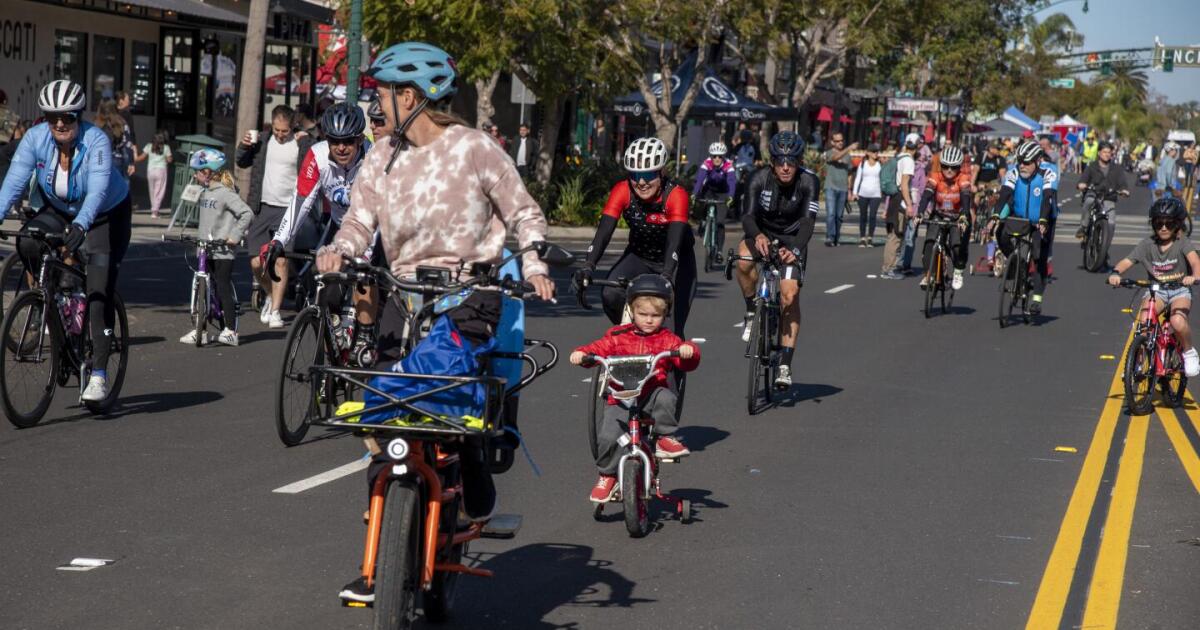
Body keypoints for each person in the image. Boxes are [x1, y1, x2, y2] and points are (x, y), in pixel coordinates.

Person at [313, 42, 555, 605]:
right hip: (405, 291)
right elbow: (358, 223)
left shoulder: (474, 149)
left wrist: (537, 261)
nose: (376, 104)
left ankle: (470, 455)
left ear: (410, 96)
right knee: (383, 411)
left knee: (430, 393)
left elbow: (523, 211)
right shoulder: (381, 156)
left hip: (471, 293)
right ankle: (380, 552)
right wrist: (337, 253)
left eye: (382, 94)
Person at [0, 79, 132, 401]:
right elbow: (13, 184)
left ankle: (98, 373)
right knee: (29, 241)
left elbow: (98, 191)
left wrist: (82, 225)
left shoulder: (96, 141)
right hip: (58, 208)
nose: (60, 123)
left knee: (99, 290)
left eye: (68, 117)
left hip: (105, 214)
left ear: (79, 116)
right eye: (52, 117)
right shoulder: (35, 139)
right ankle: (55, 296)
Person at [570, 275, 700, 502]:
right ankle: (607, 475)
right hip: (620, 397)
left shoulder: (667, 338)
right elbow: (597, 349)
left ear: (665, 315)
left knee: (666, 398)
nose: (649, 320)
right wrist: (582, 354)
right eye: (643, 314)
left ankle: (663, 438)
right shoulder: (617, 336)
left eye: (656, 316)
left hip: (650, 393)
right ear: (631, 310)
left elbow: (686, 360)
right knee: (609, 435)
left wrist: (688, 351)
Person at [261, 103, 377, 348]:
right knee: (322, 277)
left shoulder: (374, 157)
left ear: (359, 139)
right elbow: (300, 202)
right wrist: (279, 241)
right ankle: (335, 325)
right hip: (338, 226)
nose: (341, 147)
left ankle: (365, 337)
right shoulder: (317, 155)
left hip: (372, 227)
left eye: (347, 141)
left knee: (364, 276)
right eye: (335, 141)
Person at [576, 137, 697, 336]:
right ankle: (633, 339)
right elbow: (604, 232)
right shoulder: (622, 190)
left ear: (662, 172)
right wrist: (588, 266)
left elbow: (674, 242)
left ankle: (672, 364)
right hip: (639, 256)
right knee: (610, 294)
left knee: (674, 334)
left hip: (676, 262)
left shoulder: (676, 195)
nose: (641, 182)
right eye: (635, 174)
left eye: (649, 174)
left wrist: (667, 275)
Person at [736, 131, 820, 389]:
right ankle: (752, 309)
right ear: (772, 162)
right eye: (781, 161)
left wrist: (794, 248)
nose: (786, 167)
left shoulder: (809, 182)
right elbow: (747, 216)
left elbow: (808, 222)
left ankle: (784, 363)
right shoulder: (758, 178)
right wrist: (758, 235)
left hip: (793, 238)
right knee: (742, 257)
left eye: (792, 162)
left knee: (788, 294)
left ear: (798, 162)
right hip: (761, 233)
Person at [1107, 197, 1200, 377]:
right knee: (1143, 323)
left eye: (1169, 223)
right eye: (1159, 223)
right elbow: (1128, 261)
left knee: (1177, 321)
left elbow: (1195, 262)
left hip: (1179, 290)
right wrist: (1116, 273)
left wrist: (1194, 277)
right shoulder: (1147, 244)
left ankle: (1189, 352)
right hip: (1156, 290)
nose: (1163, 228)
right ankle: (1138, 363)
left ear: (1177, 225)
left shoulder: (1183, 243)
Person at [235, 105, 310, 329]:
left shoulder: (300, 142)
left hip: (288, 209)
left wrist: (306, 138)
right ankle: (269, 294)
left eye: (284, 131)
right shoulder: (263, 140)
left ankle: (276, 310)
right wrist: (244, 144)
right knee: (256, 262)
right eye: (277, 130)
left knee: (281, 260)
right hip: (262, 206)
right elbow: (241, 161)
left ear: (292, 126)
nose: (279, 134)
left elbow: (314, 159)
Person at [180, 149, 252, 346]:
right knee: (203, 288)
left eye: (197, 171)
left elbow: (247, 213)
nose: (195, 175)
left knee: (222, 287)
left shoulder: (225, 193)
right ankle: (200, 330)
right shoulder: (204, 192)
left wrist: (235, 236)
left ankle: (230, 330)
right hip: (206, 249)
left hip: (223, 251)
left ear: (209, 172)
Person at [986, 140, 1056, 315]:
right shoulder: (1013, 173)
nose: (1022, 166)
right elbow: (1005, 194)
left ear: (1037, 161)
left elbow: (1047, 198)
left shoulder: (1048, 173)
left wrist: (1042, 220)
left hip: (1042, 219)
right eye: (1020, 162)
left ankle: (1037, 299)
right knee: (1000, 233)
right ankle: (1015, 263)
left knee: (1039, 255)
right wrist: (995, 215)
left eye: (1026, 162)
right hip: (1019, 218)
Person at [917, 146, 973, 290]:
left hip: (957, 216)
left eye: (953, 167)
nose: (949, 170)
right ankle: (928, 275)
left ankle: (958, 271)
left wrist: (964, 216)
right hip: (939, 214)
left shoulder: (963, 178)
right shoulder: (936, 176)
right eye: (945, 166)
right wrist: (920, 212)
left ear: (959, 167)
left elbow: (966, 199)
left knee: (956, 246)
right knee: (929, 243)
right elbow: (927, 195)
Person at [1074, 141, 1129, 249]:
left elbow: (1123, 183)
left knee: (1111, 224)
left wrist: (1124, 190)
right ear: (1099, 153)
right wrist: (1082, 184)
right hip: (1093, 194)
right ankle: (1084, 227)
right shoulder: (1092, 166)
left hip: (1109, 197)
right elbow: (1083, 179)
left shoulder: (1117, 168)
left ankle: (1104, 250)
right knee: (1088, 201)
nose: (1107, 154)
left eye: (1109, 152)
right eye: (1104, 152)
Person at [691, 141, 737, 261]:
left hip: (723, 193)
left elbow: (732, 182)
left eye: (720, 156)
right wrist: (694, 194)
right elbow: (700, 180)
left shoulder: (728, 166)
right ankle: (702, 221)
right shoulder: (706, 164)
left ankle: (720, 252)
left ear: (724, 156)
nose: (717, 159)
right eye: (714, 156)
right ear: (711, 156)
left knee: (720, 222)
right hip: (709, 190)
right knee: (701, 202)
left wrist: (731, 196)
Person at [881, 134, 918, 279]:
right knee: (896, 236)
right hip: (900, 200)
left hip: (894, 199)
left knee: (892, 235)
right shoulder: (908, 161)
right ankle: (888, 269)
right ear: (916, 146)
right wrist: (909, 205)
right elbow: (904, 184)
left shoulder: (899, 157)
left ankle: (887, 267)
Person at [823, 132, 857, 246]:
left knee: (839, 216)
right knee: (831, 214)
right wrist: (849, 148)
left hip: (843, 189)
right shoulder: (829, 153)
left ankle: (836, 237)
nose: (840, 143)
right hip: (830, 187)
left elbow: (850, 173)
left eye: (841, 140)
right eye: (837, 141)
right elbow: (835, 157)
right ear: (832, 142)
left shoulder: (848, 156)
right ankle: (830, 237)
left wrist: (850, 189)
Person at [849, 143, 883, 247]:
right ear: (868, 153)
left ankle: (870, 237)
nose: (875, 153)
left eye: (877, 151)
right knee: (863, 216)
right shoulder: (863, 164)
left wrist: (883, 191)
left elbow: (882, 178)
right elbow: (858, 178)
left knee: (872, 216)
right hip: (863, 194)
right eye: (873, 151)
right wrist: (855, 193)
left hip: (876, 194)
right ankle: (862, 238)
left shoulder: (880, 164)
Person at [95, 99, 135, 182]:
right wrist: (131, 162)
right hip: (117, 159)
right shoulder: (122, 123)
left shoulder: (97, 124)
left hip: (99, 159)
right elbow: (128, 144)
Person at [137, 131, 173, 218]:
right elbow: (169, 160)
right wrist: (169, 157)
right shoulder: (166, 147)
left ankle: (154, 209)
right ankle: (155, 211)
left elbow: (141, 157)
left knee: (152, 191)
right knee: (160, 191)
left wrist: (134, 157)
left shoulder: (149, 146)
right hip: (161, 170)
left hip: (150, 171)